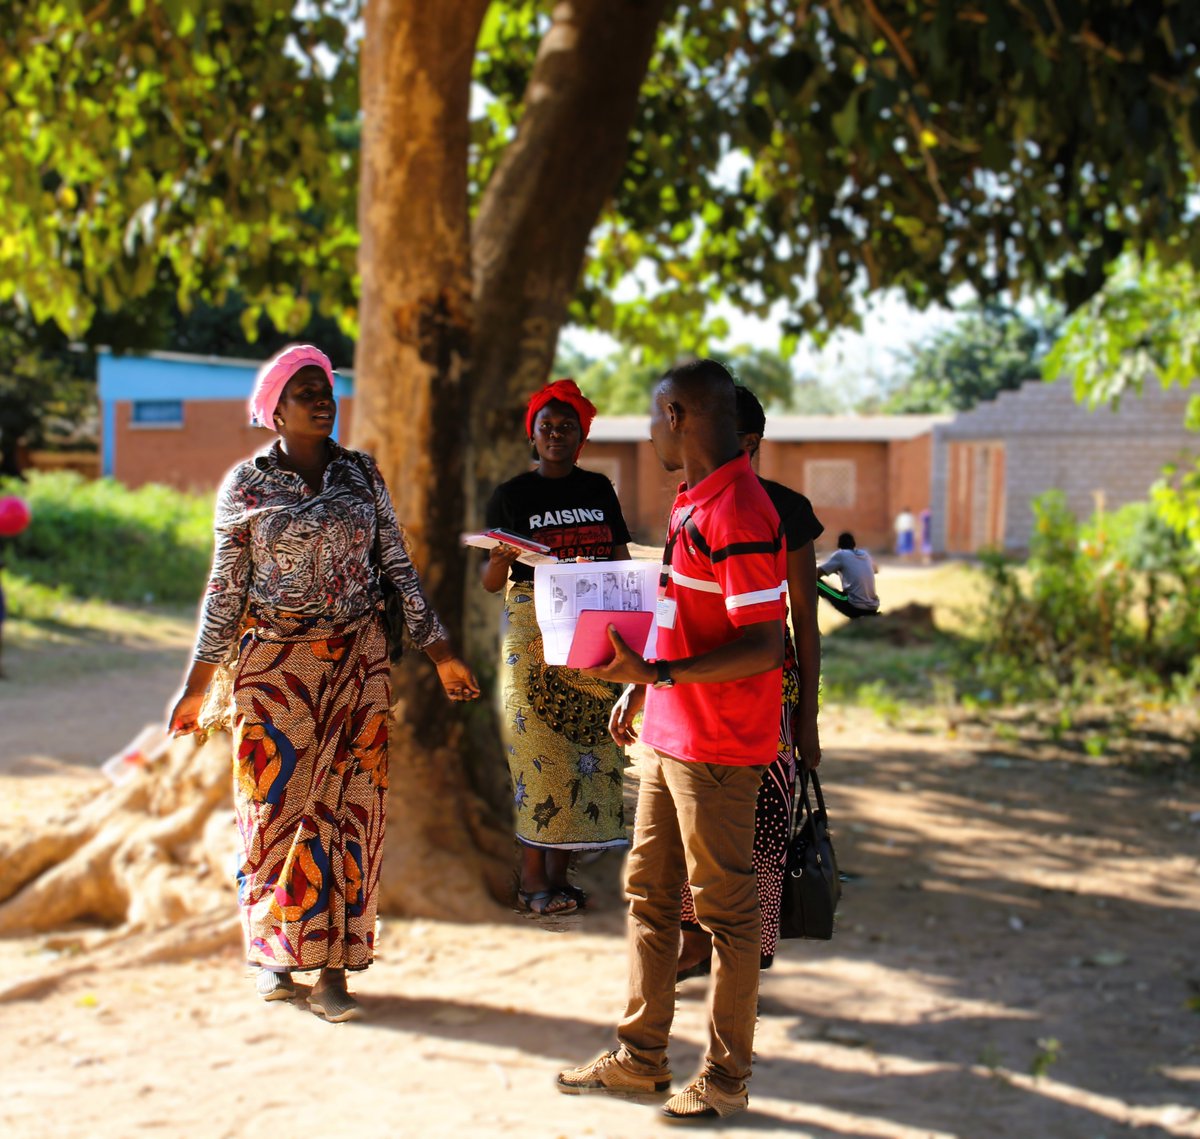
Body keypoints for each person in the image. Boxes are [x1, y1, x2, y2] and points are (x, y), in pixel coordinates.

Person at [167, 344, 479, 1022]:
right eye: (304, 388)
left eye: (327, 387)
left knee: (353, 811)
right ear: (273, 407)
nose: (321, 396)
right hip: (274, 670)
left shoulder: (362, 475)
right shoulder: (246, 485)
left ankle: (338, 966)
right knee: (272, 810)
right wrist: (195, 686)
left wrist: (442, 651)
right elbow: (225, 589)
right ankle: (276, 956)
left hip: (357, 661)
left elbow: (398, 565)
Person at [557, 358, 786, 1123]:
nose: (652, 431)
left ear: (680, 417)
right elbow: (680, 611)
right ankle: (641, 1057)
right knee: (649, 895)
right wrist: (641, 682)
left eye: (656, 417)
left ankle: (725, 1077)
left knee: (725, 913)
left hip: (719, 744)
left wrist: (661, 670)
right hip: (670, 729)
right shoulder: (695, 500)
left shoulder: (742, 513)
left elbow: (766, 644)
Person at [675, 384, 823, 982]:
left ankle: (750, 951)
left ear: (749, 442)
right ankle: (694, 942)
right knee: (694, 816)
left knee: (762, 817)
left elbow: (804, 624)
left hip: (768, 689)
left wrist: (808, 720)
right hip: (696, 686)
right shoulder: (691, 503)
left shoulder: (785, 510)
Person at [481, 378, 632, 916]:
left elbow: (618, 555)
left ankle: (560, 878)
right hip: (534, 629)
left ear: (581, 436)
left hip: (595, 622)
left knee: (589, 745)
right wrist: (498, 561)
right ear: (533, 435)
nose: (556, 434)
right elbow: (492, 582)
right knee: (539, 748)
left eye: (567, 426)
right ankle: (532, 881)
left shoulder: (598, 490)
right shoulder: (513, 495)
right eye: (547, 426)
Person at [817, 532, 880, 619]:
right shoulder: (865, 554)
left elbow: (816, 574)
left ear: (839, 545)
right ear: (854, 544)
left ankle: (811, 624)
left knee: (814, 582)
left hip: (854, 606)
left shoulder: (841, 555)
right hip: (873, 607)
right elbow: (876, 570)